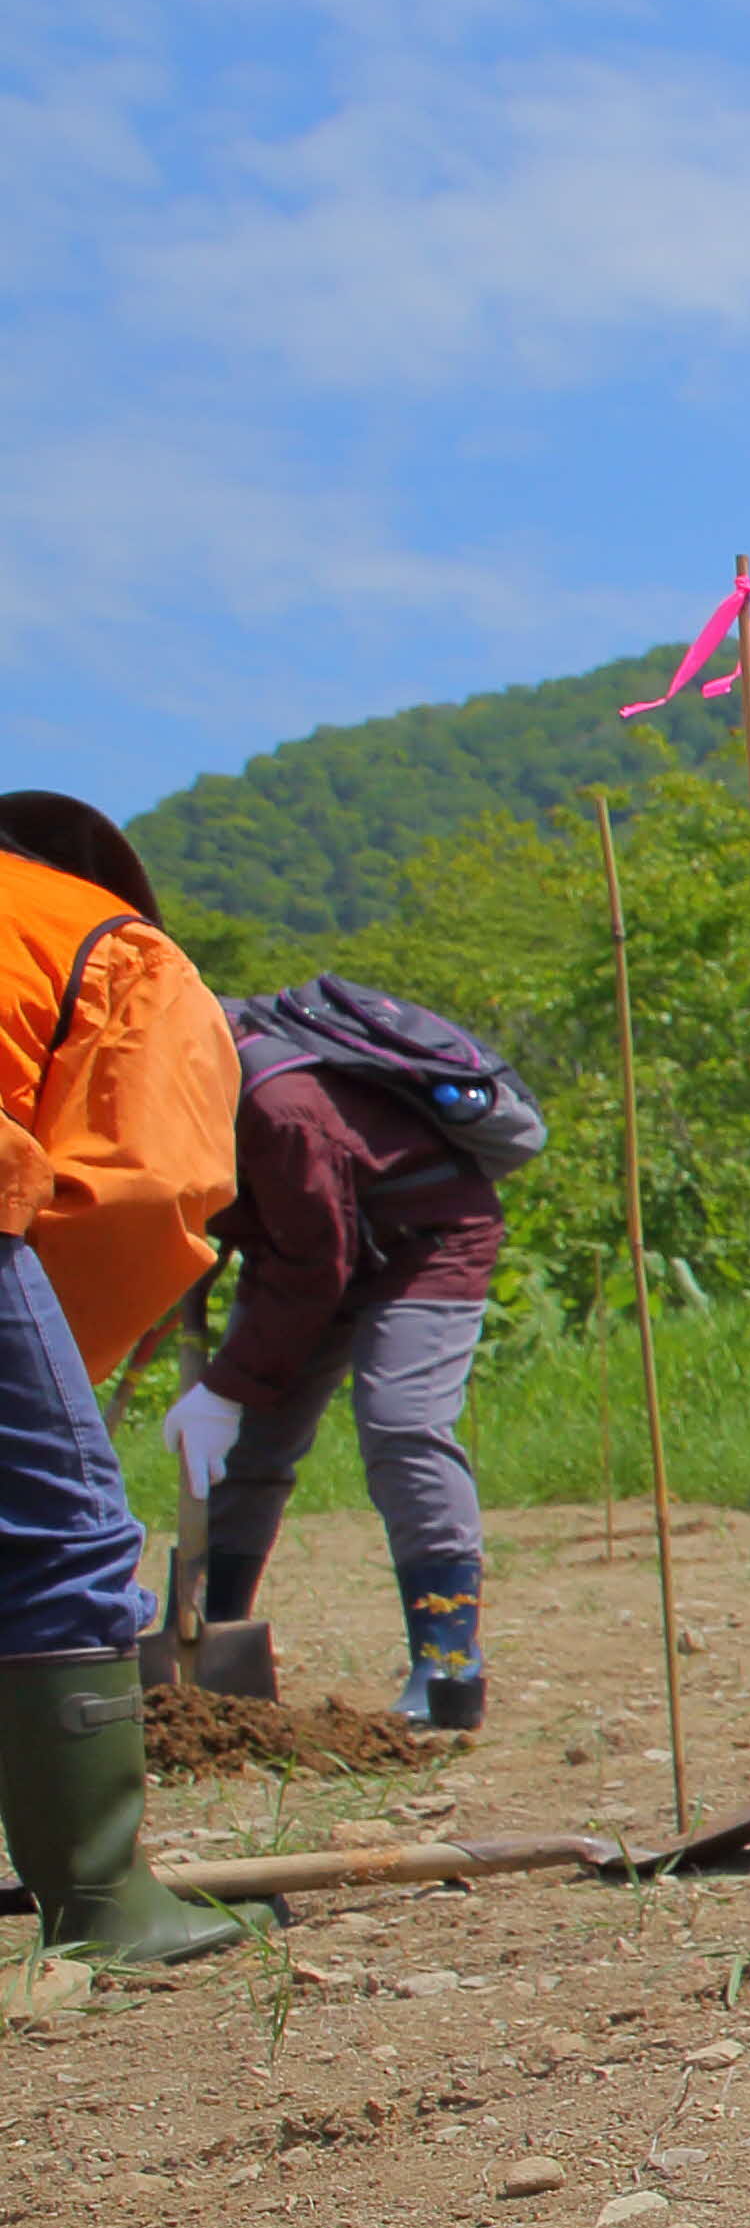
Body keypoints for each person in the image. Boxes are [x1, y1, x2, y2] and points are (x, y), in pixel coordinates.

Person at [0, 791, 244, 1971]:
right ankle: (101, 1903)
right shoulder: (121, 948)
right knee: (63, 1532)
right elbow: (140, 1191)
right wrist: (68, 1377)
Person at [170, 985, 517, 1728]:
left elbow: (314, 1268)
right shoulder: (175, 1085)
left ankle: (449, 1663)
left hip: (427, 1241)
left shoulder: (278, 1103)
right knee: (250, 1446)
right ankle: (209, 1640)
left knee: (401, 1426)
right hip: (308, 1240)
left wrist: (226, 1386)